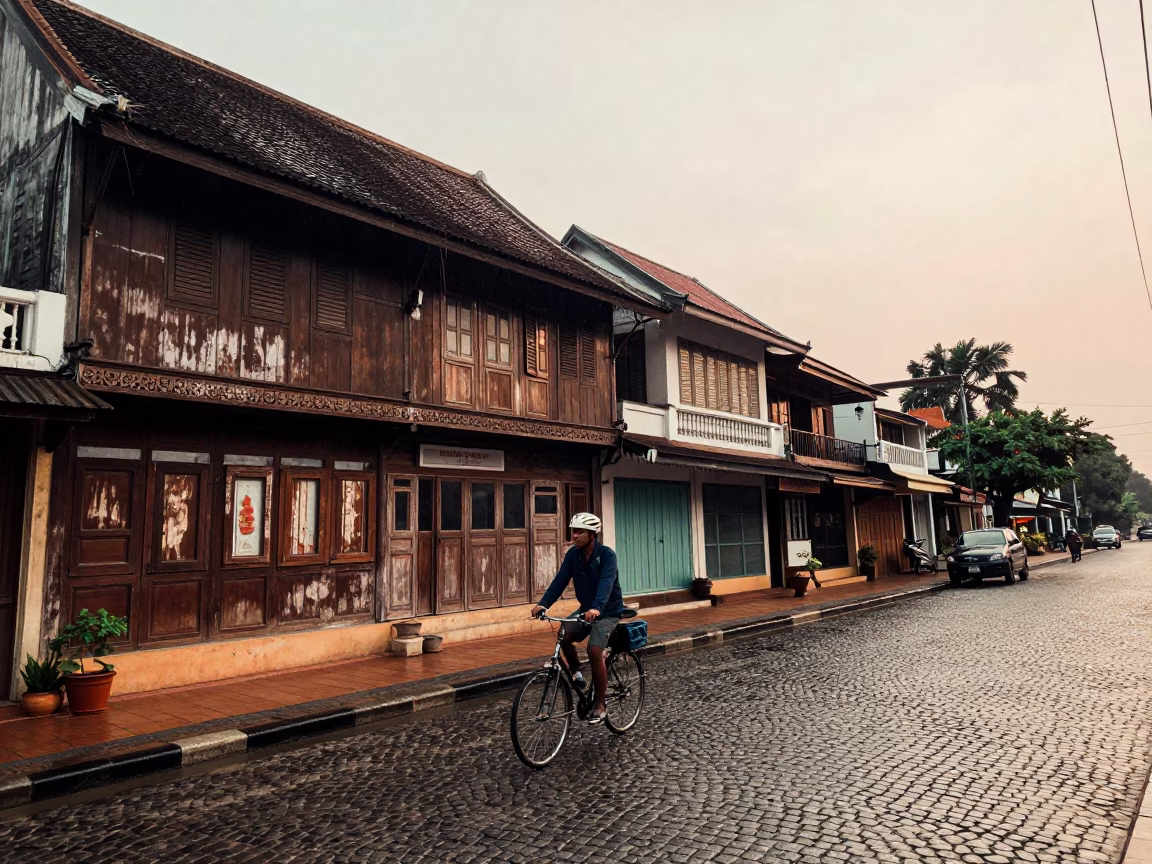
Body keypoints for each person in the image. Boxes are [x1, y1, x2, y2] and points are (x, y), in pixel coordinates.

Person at [532, 512, 625, 725]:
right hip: (586, 610)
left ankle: (600, 705)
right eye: (573, 531)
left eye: (580, 532)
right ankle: (576, 672)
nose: (575, 536)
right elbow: (560, 580)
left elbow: (606, 583)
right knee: (564, 634)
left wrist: (597, 608)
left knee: (594, 649)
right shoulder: (573, 555)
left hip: (608, 611)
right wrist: (544, 603)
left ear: (592, 535)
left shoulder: (607, 555)